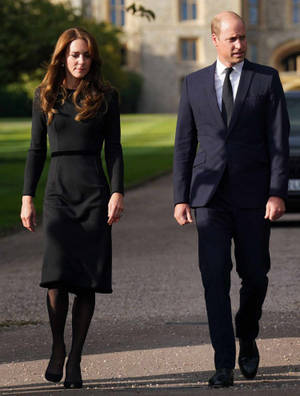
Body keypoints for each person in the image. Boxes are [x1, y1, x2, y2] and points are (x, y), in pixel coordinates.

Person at [173, 11, 289, 388]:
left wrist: (276, 191)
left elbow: (277, 142)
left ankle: (248, 333)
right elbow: (184, 145)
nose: (240, 45)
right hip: (209, 198)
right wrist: (181, 197)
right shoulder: (192, 84)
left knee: (255, 276)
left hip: (255, 196)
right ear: (215, 40)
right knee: (214, 277)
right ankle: (223, 362)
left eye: (242, 38)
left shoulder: (266, 80)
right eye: (233, 39)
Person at [20, 27, 124, 389]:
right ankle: (57, 347)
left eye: (86, 55)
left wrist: (117, 192)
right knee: (57, 277)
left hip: (94, 192)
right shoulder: (44, 95)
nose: (81, 61)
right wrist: (27, 197)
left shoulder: (106, 96)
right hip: (58, 193)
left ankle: (76, 359)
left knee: (86, 282)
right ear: (62, 57)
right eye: (74, 55)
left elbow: (114, 149)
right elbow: (35, 150)